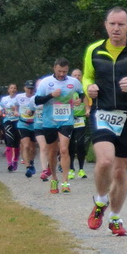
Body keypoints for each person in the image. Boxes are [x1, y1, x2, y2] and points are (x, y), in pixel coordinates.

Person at [80, 9, 127, 236]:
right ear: (105, 25)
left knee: (121, 172)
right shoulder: (94, 50)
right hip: (102, 113)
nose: (116, 29)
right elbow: (87, 76)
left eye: (121, 24)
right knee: (104, 161)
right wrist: (88, 87)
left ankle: (115, 218)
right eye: (112, 24)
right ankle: (101, 201)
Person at [33, 59, 84, 192]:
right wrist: (51, 95)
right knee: (52, 151)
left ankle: (65, 182)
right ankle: (54, 179)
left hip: (66, 120)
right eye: (59, 71)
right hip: (50, 121)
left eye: (64, 72)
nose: (62, 74)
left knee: (64, 149)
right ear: (54, 68)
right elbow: (37, 100)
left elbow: (81, 92)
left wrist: (79, 99)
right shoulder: (46, 82)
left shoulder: (73, 82)